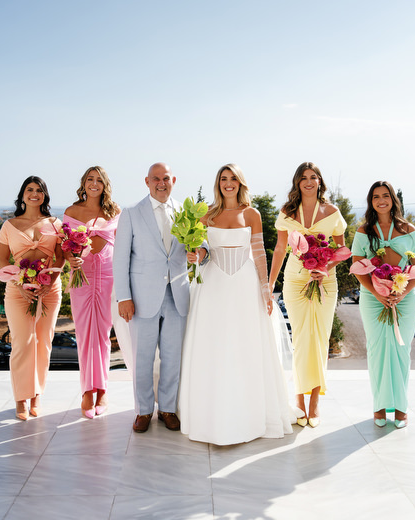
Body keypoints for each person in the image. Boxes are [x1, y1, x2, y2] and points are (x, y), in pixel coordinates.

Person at [178, 163, 296, 445]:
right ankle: (211, 415)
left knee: (245, 344)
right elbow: (203, 249)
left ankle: (249, 414)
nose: (228, 183)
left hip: (244, 285)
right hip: (213, 284)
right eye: (223, 179)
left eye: (233, 179)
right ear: (217, 183)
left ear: (240, 182)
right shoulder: (207, 213)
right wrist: (197, 253)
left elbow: (258, 253)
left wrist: (266, 289)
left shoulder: (251, 213)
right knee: (214, 344)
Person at [113, 163, 207, 433]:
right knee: (142, 358)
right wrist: (124, 297)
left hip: (177, 294)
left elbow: (202, 242)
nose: (161, 183)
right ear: (147, 181)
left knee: (172, 357)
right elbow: (120, 259)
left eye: (166, 178)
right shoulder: (131, 213)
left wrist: (200, 252)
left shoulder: (185, 212)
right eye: (156, 179)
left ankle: (167, 408)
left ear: (173, 180)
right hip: (141, 298)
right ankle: (143, 411)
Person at [269, 162, 347, 427]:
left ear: (320, 182)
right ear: (297, 182)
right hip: (295, 280)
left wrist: (325, 267)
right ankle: (299, 402)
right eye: (304, 178)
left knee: (320, 339)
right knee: (301, 338)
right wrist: (269, 285)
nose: (309, 181)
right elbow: (280, 249)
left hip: (325, 281)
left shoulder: (333, 212)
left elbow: (341, 250)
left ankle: (315, 402)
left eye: (314, 177)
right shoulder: (286, 213)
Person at [351, 181, 415, 428]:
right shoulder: (363, 231)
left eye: (385, 196)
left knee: (401, 350)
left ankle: (401, 408)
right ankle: (380, 408)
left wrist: (401, 293)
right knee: (378, 349)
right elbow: (358, 266)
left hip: (405, 298)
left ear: (393, 199)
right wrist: (377, 292)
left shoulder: (408, 229)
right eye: (375, 197)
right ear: (371, 202)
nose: (381, 200)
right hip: (373, 299)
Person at [0, 176, 63, 420]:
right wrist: (19, 283)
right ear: (22, 195)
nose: (34, 194)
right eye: (29, 190)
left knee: (43, 343)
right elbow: (3, 260)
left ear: (44, 195)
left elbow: (59, 257)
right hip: (18, 291)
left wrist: (50, 282)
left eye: (39, 190)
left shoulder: (55, 223)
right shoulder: (9, 225)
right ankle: (20, 399)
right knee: (22, 342)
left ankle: (36, 395)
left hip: (49, 291)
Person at [64, 166, 120, 418]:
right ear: (83, 183)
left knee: (103, 335)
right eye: (90, 179)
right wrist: (71, 260)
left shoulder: (115, 211)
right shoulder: (72, 212)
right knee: (85, 334)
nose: (94, 183)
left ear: (104, 184)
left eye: (99, 180)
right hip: (81, 278)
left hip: (108, 275)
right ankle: (87, 390)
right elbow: (64, 245)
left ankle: (103, 390)